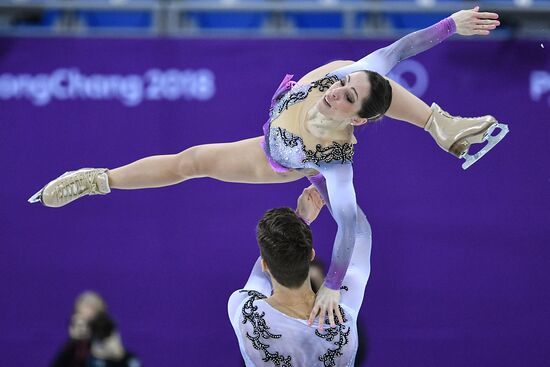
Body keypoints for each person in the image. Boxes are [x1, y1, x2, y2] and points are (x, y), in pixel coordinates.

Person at [29, 7, 506, 325]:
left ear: (356, 121)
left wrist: (335, 287)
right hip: (275, 131)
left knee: (353, 216)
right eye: (343, 85)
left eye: (347, 97)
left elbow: (347, 230)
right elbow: (399, 50)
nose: (335, 90)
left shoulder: (337, 162)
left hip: (282, 158)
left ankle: (437, 125)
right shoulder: (342, 77)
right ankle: (96, 179)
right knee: (191, 158)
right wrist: (450, 24)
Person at [228, 185, 372, 366]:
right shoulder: (343, 311)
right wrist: (325, 184)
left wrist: (302, 219)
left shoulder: (244, 310)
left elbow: (261, 272)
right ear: (311, 255)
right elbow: (361, 234)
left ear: (265, 264)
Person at [50, 291, 108, 367]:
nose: (85, 326)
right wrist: (73, 342)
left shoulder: (107, 343)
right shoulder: (72, 346)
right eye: (81, 319)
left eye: (89, 321)